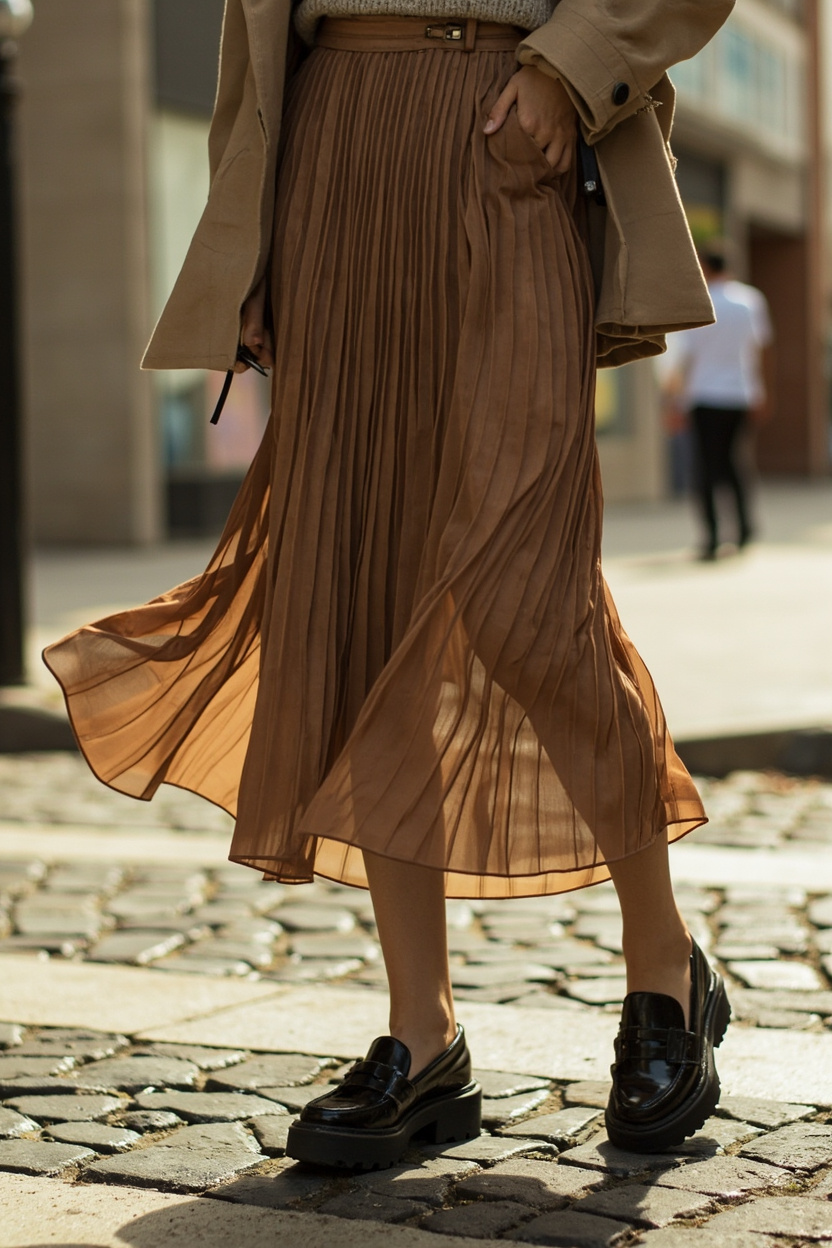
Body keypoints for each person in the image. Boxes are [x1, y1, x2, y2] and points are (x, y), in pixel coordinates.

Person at [44, 0, 735, 1169]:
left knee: (530, 605)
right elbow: (251, 38)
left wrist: (572, 69)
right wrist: (248, 242)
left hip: (513, 133)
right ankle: (424, 1038)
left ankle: (663, 971)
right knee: (363, 606)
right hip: (335, 152)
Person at [669, 247, 774, 560]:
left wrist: (673, 400)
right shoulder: (751, 300)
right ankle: (744, 529)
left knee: (705, 467)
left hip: (703, 395)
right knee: (734, 462)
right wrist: (763, 391)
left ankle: (712, 537)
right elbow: (763, 349)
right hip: (740, 394)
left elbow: (684, 357)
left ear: (704, 266)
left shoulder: (697, 301)